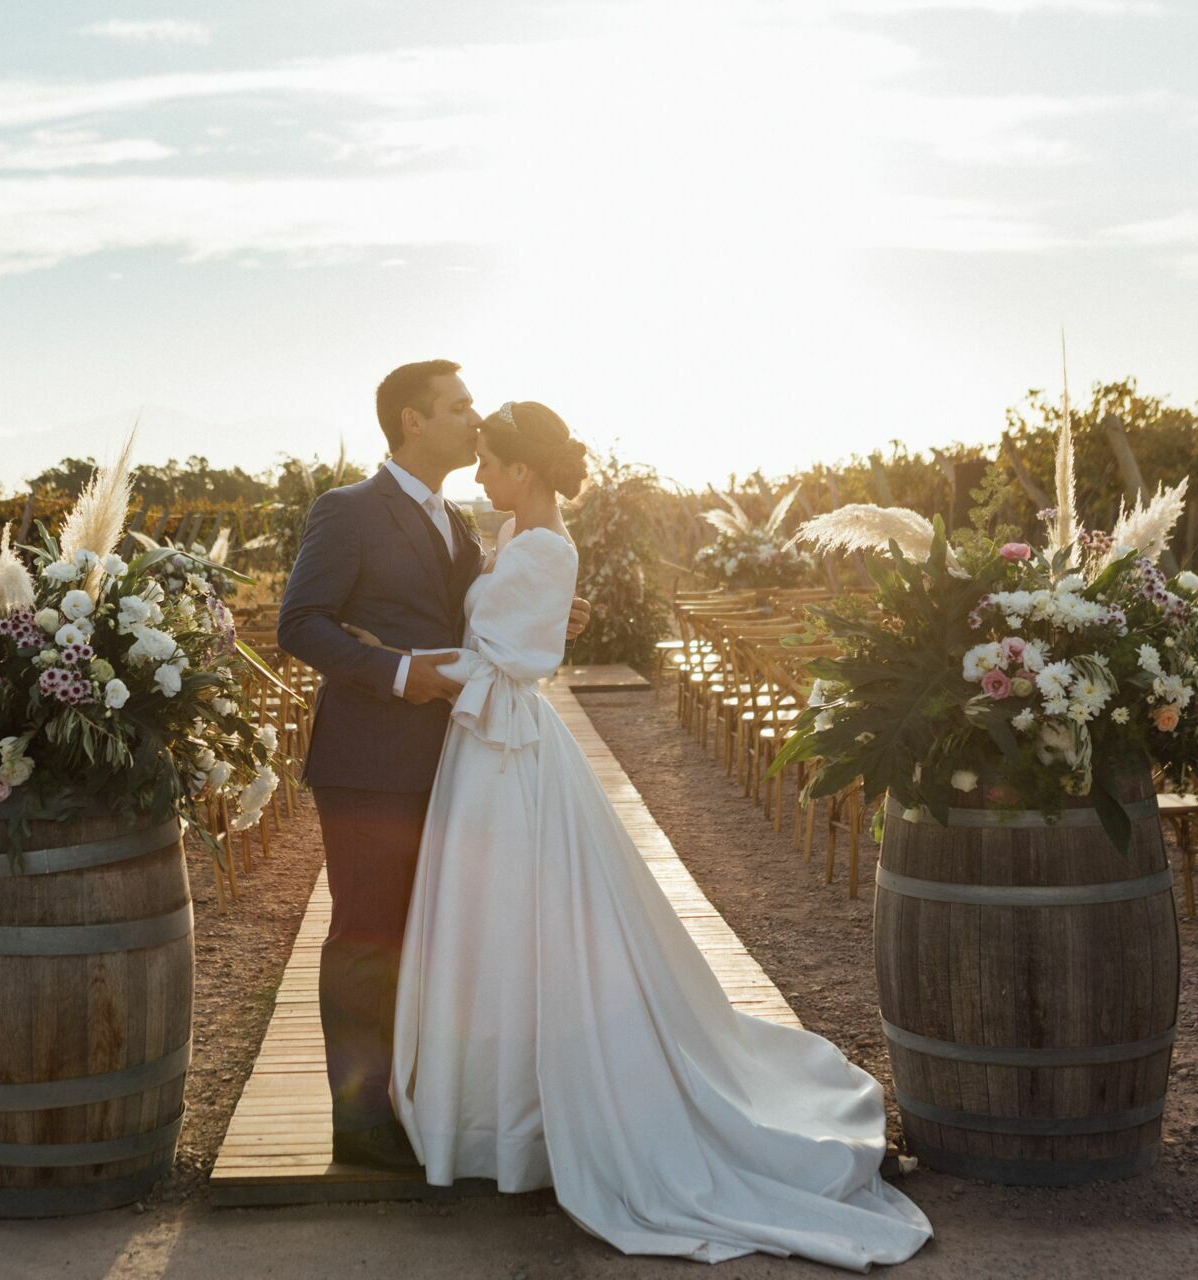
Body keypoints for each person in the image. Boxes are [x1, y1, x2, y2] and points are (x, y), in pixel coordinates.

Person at [373, 400, 934, 1269]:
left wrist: (399, 665)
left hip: (501, 750)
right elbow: (508, 636)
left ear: (522, 470)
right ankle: (498, 1117)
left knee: (514, 919)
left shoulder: (543, 547)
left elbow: (500, 665)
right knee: (498, 923)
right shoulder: (527, 543)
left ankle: (514, 1124)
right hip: (494, 744)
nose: (479, 476)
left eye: (489, 461)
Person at [275, 361, 588, 1170]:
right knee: (365, 935)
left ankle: (423, 1098)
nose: (473, 419)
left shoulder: (459, 521)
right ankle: (360, 1124)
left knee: (433, 935)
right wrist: (397, 671)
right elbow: (301, 623)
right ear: (412, 420)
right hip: (370, 760)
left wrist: (548, 611)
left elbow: (477, 626)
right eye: (459, 407)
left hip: (455, 759)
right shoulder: (347, 510)